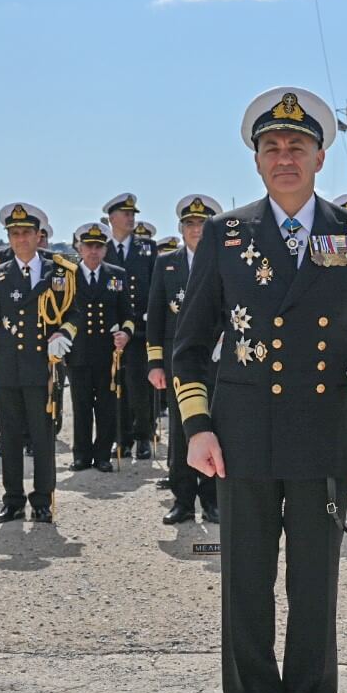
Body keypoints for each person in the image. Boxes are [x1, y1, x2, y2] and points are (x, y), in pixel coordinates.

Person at [173, 86, 347, 693]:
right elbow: (189, 346)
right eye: (271, 147)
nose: (284, 157)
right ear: (256, 159)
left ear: (319, 155)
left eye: (296, 147)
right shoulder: (227, 234)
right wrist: (196, 427)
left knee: (313, 589)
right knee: (244, 586)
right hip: (241, 436)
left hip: (320, 434)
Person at [0, 203, 76, 523]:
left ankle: (43, 500)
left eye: (26, 233)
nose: (20, 239)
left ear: (39, 236)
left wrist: (64, 332)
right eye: (14, 233)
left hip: (41, 369)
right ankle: (13, 499)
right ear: (8, 237)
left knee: (42, 437)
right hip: (7, 368)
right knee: (10, 438)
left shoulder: (59, 272)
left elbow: (76, 311)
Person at [147, 193, 224, 524]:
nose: (197, 230)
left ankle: (212, 499)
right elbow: (155, 315)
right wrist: (154, 363)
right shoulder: (166, 264)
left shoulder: (224, 261)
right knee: (180, 431)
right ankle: (182, 499)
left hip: (216, 359)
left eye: (203, 224)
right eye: (190, 224)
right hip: (179, 362)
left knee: (212, 426)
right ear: (181, 229)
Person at [67, 222, 134, 473]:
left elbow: (127, 312)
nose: (93, 251)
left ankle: (103, 454)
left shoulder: (117, 275)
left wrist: (125, 333)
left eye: (98, 246)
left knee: (106, 406)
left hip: (108, 353)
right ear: (79, 248)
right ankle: (81, 455)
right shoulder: (68, 276)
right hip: (79, 351)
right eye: (88, 246)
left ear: (105, 250)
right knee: (81, 405)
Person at [103, 194, 156, 461]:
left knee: (138, 386)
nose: (131, 217)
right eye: (125, 214)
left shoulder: (147, 248)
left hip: (139, 330)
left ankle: (143, 436)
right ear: (111, 218)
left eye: (133, 213)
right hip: (110, 333)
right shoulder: (102, 248)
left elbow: (156, 289)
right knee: (115, 386)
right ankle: (120, 438)